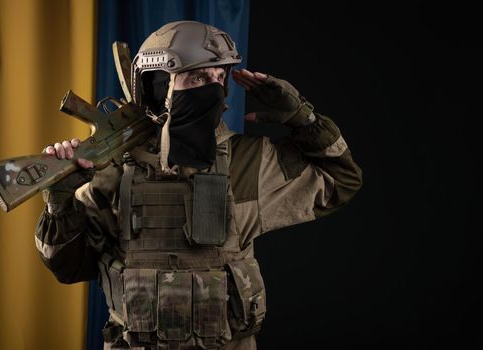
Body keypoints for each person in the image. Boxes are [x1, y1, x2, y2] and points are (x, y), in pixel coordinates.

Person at [35, 20, 362, 350]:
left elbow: (342, 179)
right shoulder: (113, 168)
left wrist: (303, 118)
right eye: (197, 76)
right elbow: (68, 266)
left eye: (219, 77)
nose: (214, 88)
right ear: (158, 85)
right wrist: (60, 198)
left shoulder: (249, 161)